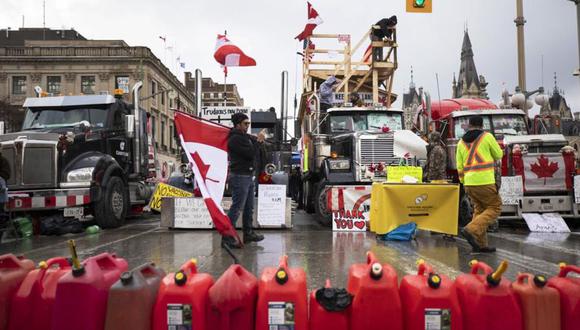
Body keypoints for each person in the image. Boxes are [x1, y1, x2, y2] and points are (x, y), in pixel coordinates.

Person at [456, 116, 503, 253]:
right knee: (495, 207)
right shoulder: (487, 137)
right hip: (485, 181)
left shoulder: (460, 143)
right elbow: (498, 154)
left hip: (469, 183)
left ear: (469, 125)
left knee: (480, 209)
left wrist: (464, 182)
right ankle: (471, 230)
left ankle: (480, 244)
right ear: (482, 125)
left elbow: (459, 166)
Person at [223, 113, 265, 249]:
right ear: (238, 124)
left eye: (248, 124)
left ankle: (248, 233)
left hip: (247, 175)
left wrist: (257, 140)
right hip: (240, 176)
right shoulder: (235, 139)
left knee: (248, 207)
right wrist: (258, 142)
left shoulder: (243, 137)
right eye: (245, 124)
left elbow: (253, 146)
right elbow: (250, 153)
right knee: (237, 208)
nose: (248, 126)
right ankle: (227, 237)